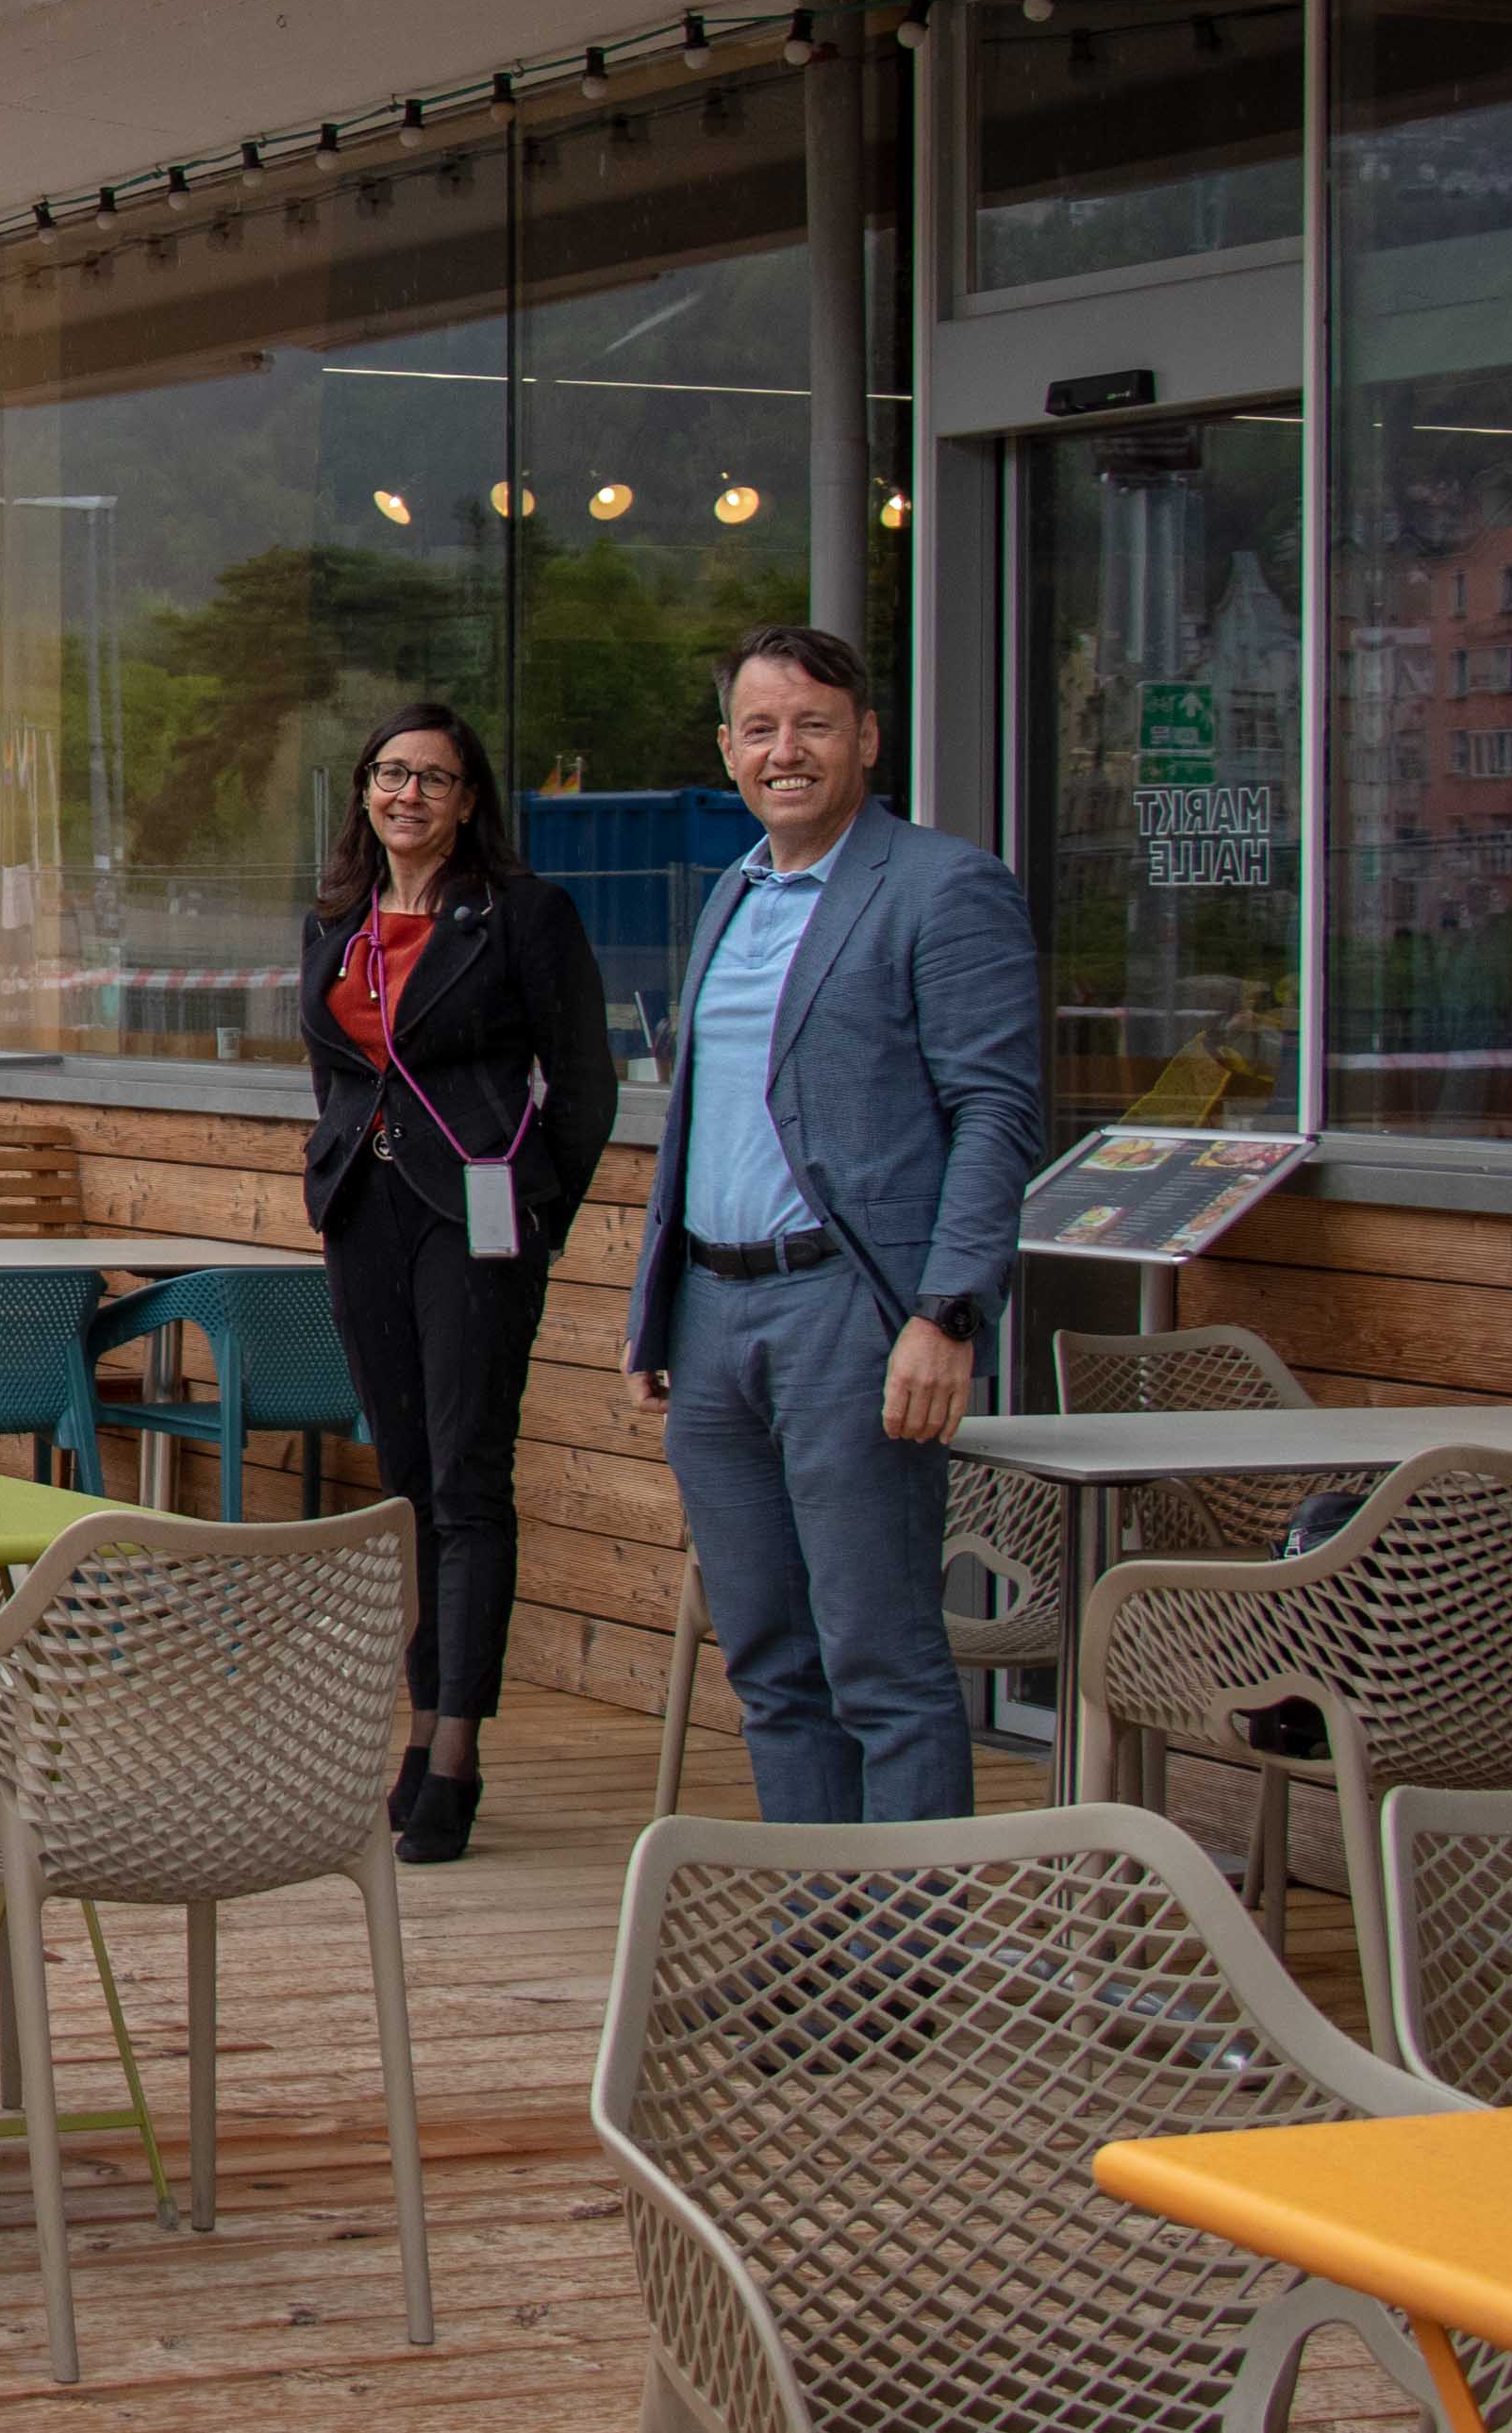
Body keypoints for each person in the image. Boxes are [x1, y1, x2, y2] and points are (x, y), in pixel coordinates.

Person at [622, 624, 1041, 1826]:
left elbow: (995, 1114)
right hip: (714, 1319)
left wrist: (945, 1312)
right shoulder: (734, 896)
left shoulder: (941, 886)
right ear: (727, 750)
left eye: (812, 724)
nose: (785, 751)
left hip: (849, 1315)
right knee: (768, 1662)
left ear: (865, 738)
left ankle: (899, 1983)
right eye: (759, 729)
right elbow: (704, 1118)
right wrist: (657, 1311)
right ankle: (819, 1963)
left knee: (882, 1662)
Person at [294, 703, 612, 1869]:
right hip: (365, 1213)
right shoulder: (340, 916)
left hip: (475, 1223)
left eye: (433, 778)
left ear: (470, 798)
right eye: (388, 774)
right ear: (364, 793)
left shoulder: (523, 915)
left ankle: (456, 1752)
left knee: (470, 1478)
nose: (407, 796)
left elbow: (584, 1082)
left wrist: (537, 1209)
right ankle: (414, 1725)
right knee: (409, 1477)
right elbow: (333, 1068)